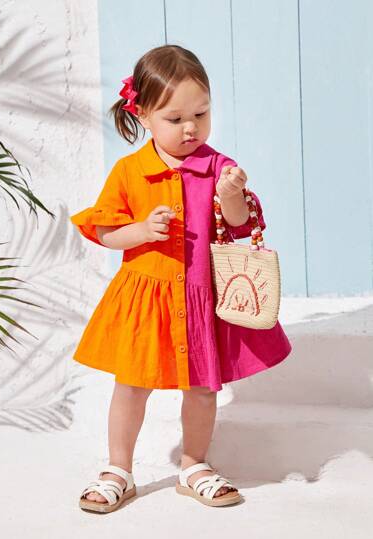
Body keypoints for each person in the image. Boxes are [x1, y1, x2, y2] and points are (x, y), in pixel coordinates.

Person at [70, 44, 292, 513]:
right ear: (143, 115)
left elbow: (240, 225)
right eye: (175, 119)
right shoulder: (130, 171)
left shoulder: (218, 167)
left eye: (201, 114)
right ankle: (118, 469)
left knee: (203, 388)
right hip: (147, 298)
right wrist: (139, 231)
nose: (191, 127)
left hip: (200, 298)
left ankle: (194, 464)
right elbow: (105, 231)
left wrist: (232, 195)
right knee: (132, 385)